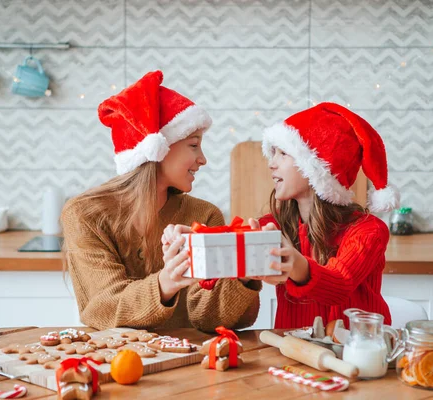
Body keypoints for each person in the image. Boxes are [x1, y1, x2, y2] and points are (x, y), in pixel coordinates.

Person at [61, 71, 261, 332]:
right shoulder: (84, 215)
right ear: (158, 149)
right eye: (193, 145)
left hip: (191, 362)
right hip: (115, 363)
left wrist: (242, 275)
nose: (203, 159)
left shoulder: (204, 215)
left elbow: (208, 319)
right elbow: (103, 308)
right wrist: (166, 282)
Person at [256, 102, 400, 329]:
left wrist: (296, 264)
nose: (272, 164)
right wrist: (195, 241)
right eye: (273, 153)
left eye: (283, 153)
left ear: (315, 170)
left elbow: (340, 284)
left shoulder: (368, 231)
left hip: (357, 353)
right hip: (293, 355)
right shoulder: (275, 226)